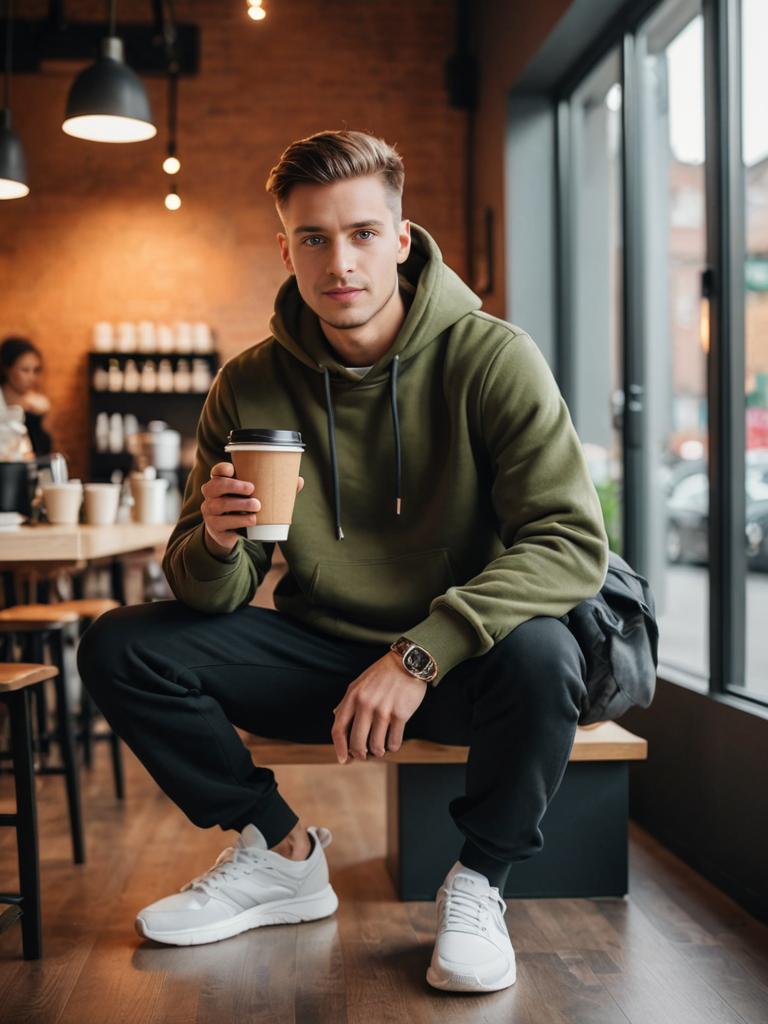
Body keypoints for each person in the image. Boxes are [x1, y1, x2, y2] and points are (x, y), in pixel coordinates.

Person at [78, 130, 609, 994]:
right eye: (315, 238)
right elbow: (209, 593)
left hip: (460, 666)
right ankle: (281, 854)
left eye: (362, 234)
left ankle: (479, 884)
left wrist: (418, 653)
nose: (341, 262)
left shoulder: (491, 359)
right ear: (285, 249)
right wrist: (216, 542)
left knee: (548, 651)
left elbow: (569, 541)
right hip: (324, 655)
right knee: (119, 644)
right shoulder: (250, 385)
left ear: (400, 241)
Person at [0, 336, 53, 457]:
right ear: (7, 369)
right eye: (25, 370)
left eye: (36, 370)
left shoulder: (38, 405)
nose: (32, 378)